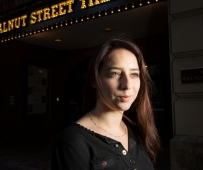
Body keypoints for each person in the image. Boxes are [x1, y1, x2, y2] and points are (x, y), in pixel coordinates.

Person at [51, 34, 160, 170]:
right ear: (94, 80)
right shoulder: (73, 142)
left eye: (134, 74)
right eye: (115, 73)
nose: (127, 85)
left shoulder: (135, 130)